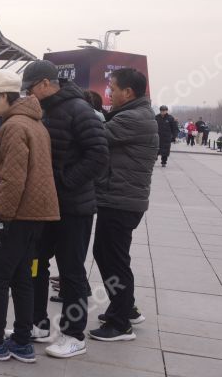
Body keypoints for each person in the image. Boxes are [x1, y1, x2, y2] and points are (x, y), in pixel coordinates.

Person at [0, 69, 59, 364]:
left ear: (4, 95)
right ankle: (21, 341)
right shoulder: (34, 122)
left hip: (18, 214)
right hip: (35, 214)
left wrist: (1, 215)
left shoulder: (14, 126)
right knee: (21, 277)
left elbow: (13, 178)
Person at [22, 61, 109, 358]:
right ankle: (37, 322)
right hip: (46, 205)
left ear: (46, 83)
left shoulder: (79, 109)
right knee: (36, 262)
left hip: (74, 207)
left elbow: (99, 155)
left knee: (71, 271)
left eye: (31, 88)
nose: (29, 94)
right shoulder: (43, 110)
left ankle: (74, 335)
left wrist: (65, 182)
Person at [89, 68, 158, 342]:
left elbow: (96, 135)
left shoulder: (133, 118)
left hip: (121, 200)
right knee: (109, 255)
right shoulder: (134, 114)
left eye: (113, 88)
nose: (109, 93)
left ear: (128, 92)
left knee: (113, 259)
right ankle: (125, 308)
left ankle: (120, 324)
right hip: (119, 198)